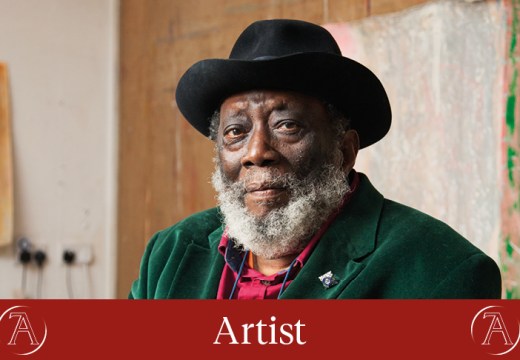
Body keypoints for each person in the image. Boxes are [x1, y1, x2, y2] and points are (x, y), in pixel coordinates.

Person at [129, 19, 502, 299]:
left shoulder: (441, 271)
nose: (257, 152)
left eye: (287, 125)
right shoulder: (170, 254)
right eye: (235, 132)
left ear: (344, 151)